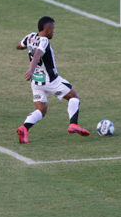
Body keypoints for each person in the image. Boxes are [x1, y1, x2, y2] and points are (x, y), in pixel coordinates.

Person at [15, 16, 89, 144]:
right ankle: (73, 124)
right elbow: (38, 55)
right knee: (74, 97)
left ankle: (24, 128)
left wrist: (27, 47)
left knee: (41, 110)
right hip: (51, 80)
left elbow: (19, 46)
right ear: (47, 28)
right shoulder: (44, 41)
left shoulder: (30, 37)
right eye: (53, 29)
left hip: (37, 82)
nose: (54, 31)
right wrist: (31, 69)